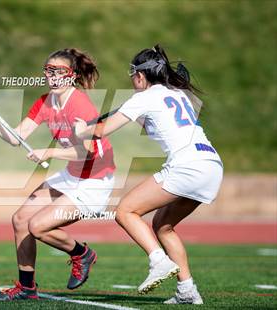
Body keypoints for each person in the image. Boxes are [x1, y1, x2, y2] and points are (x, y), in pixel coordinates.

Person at [74, 44, 223, 305]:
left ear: (140, 76)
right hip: (211, 165)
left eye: (132, 75)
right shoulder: (176, 94)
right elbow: (149, 121)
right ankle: (187, 291)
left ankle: (158, 261)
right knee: (163, 227)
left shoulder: (144, 98)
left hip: (187, 166)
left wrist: (81, 130)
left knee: (125, 211)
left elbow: (101, 131)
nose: (131, 81)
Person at [0, 48, 116, 300]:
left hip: (94, 181)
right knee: (20, 220)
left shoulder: (80, 104)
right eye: (48, 70)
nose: (52, 76)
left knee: (38, 226)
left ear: (71, 75)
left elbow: (88, 154)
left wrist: (48, 153)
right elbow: (15, 138)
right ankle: (27, 288)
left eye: (59, 71)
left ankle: (82, 255)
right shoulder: (44, 102)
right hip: (71, 175)